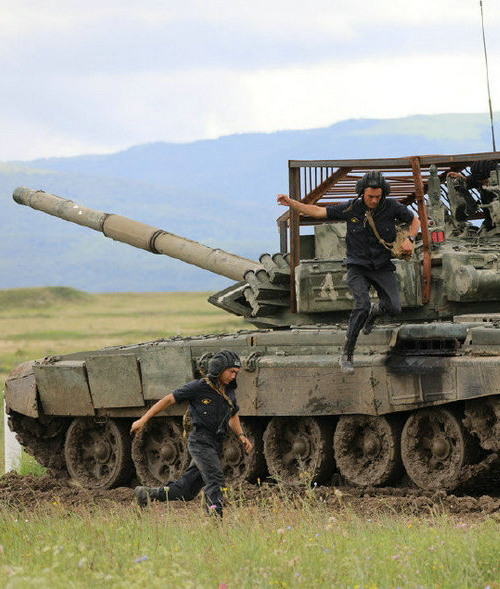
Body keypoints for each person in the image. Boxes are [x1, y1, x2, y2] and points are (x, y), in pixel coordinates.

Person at [277, 171, 421, 373]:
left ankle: (374, 312)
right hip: (358, 266)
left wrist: (411, 239)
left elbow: (415, 221)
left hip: (381, 266)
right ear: (362, 193)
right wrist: (292, 203)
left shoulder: (392, 206)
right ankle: (347, 353)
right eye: (370, 196)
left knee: (394, 307)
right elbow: (318, 212)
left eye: (377, 197)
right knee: (361, 305)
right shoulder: (351, 207)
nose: (373, 200)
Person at [131, 350, 252, 518]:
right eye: (231, 371)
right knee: (215, 480)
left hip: (215, 444)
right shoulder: (199, 387)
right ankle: (215, 522)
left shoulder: (229, 391)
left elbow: (232, 415)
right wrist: (143, 420)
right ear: (219, 368)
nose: (233, 376)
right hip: (200, 441)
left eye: (236, 373)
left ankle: (146, 494)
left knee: (186, 491)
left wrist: (241, 436)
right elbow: (168, 400)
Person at [448, 160, 500, 234]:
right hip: (489, 220)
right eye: (482, 183)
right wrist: (461, 177)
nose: (484, 185)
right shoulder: (479, 174)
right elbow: (470, 180)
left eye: (486, 181)